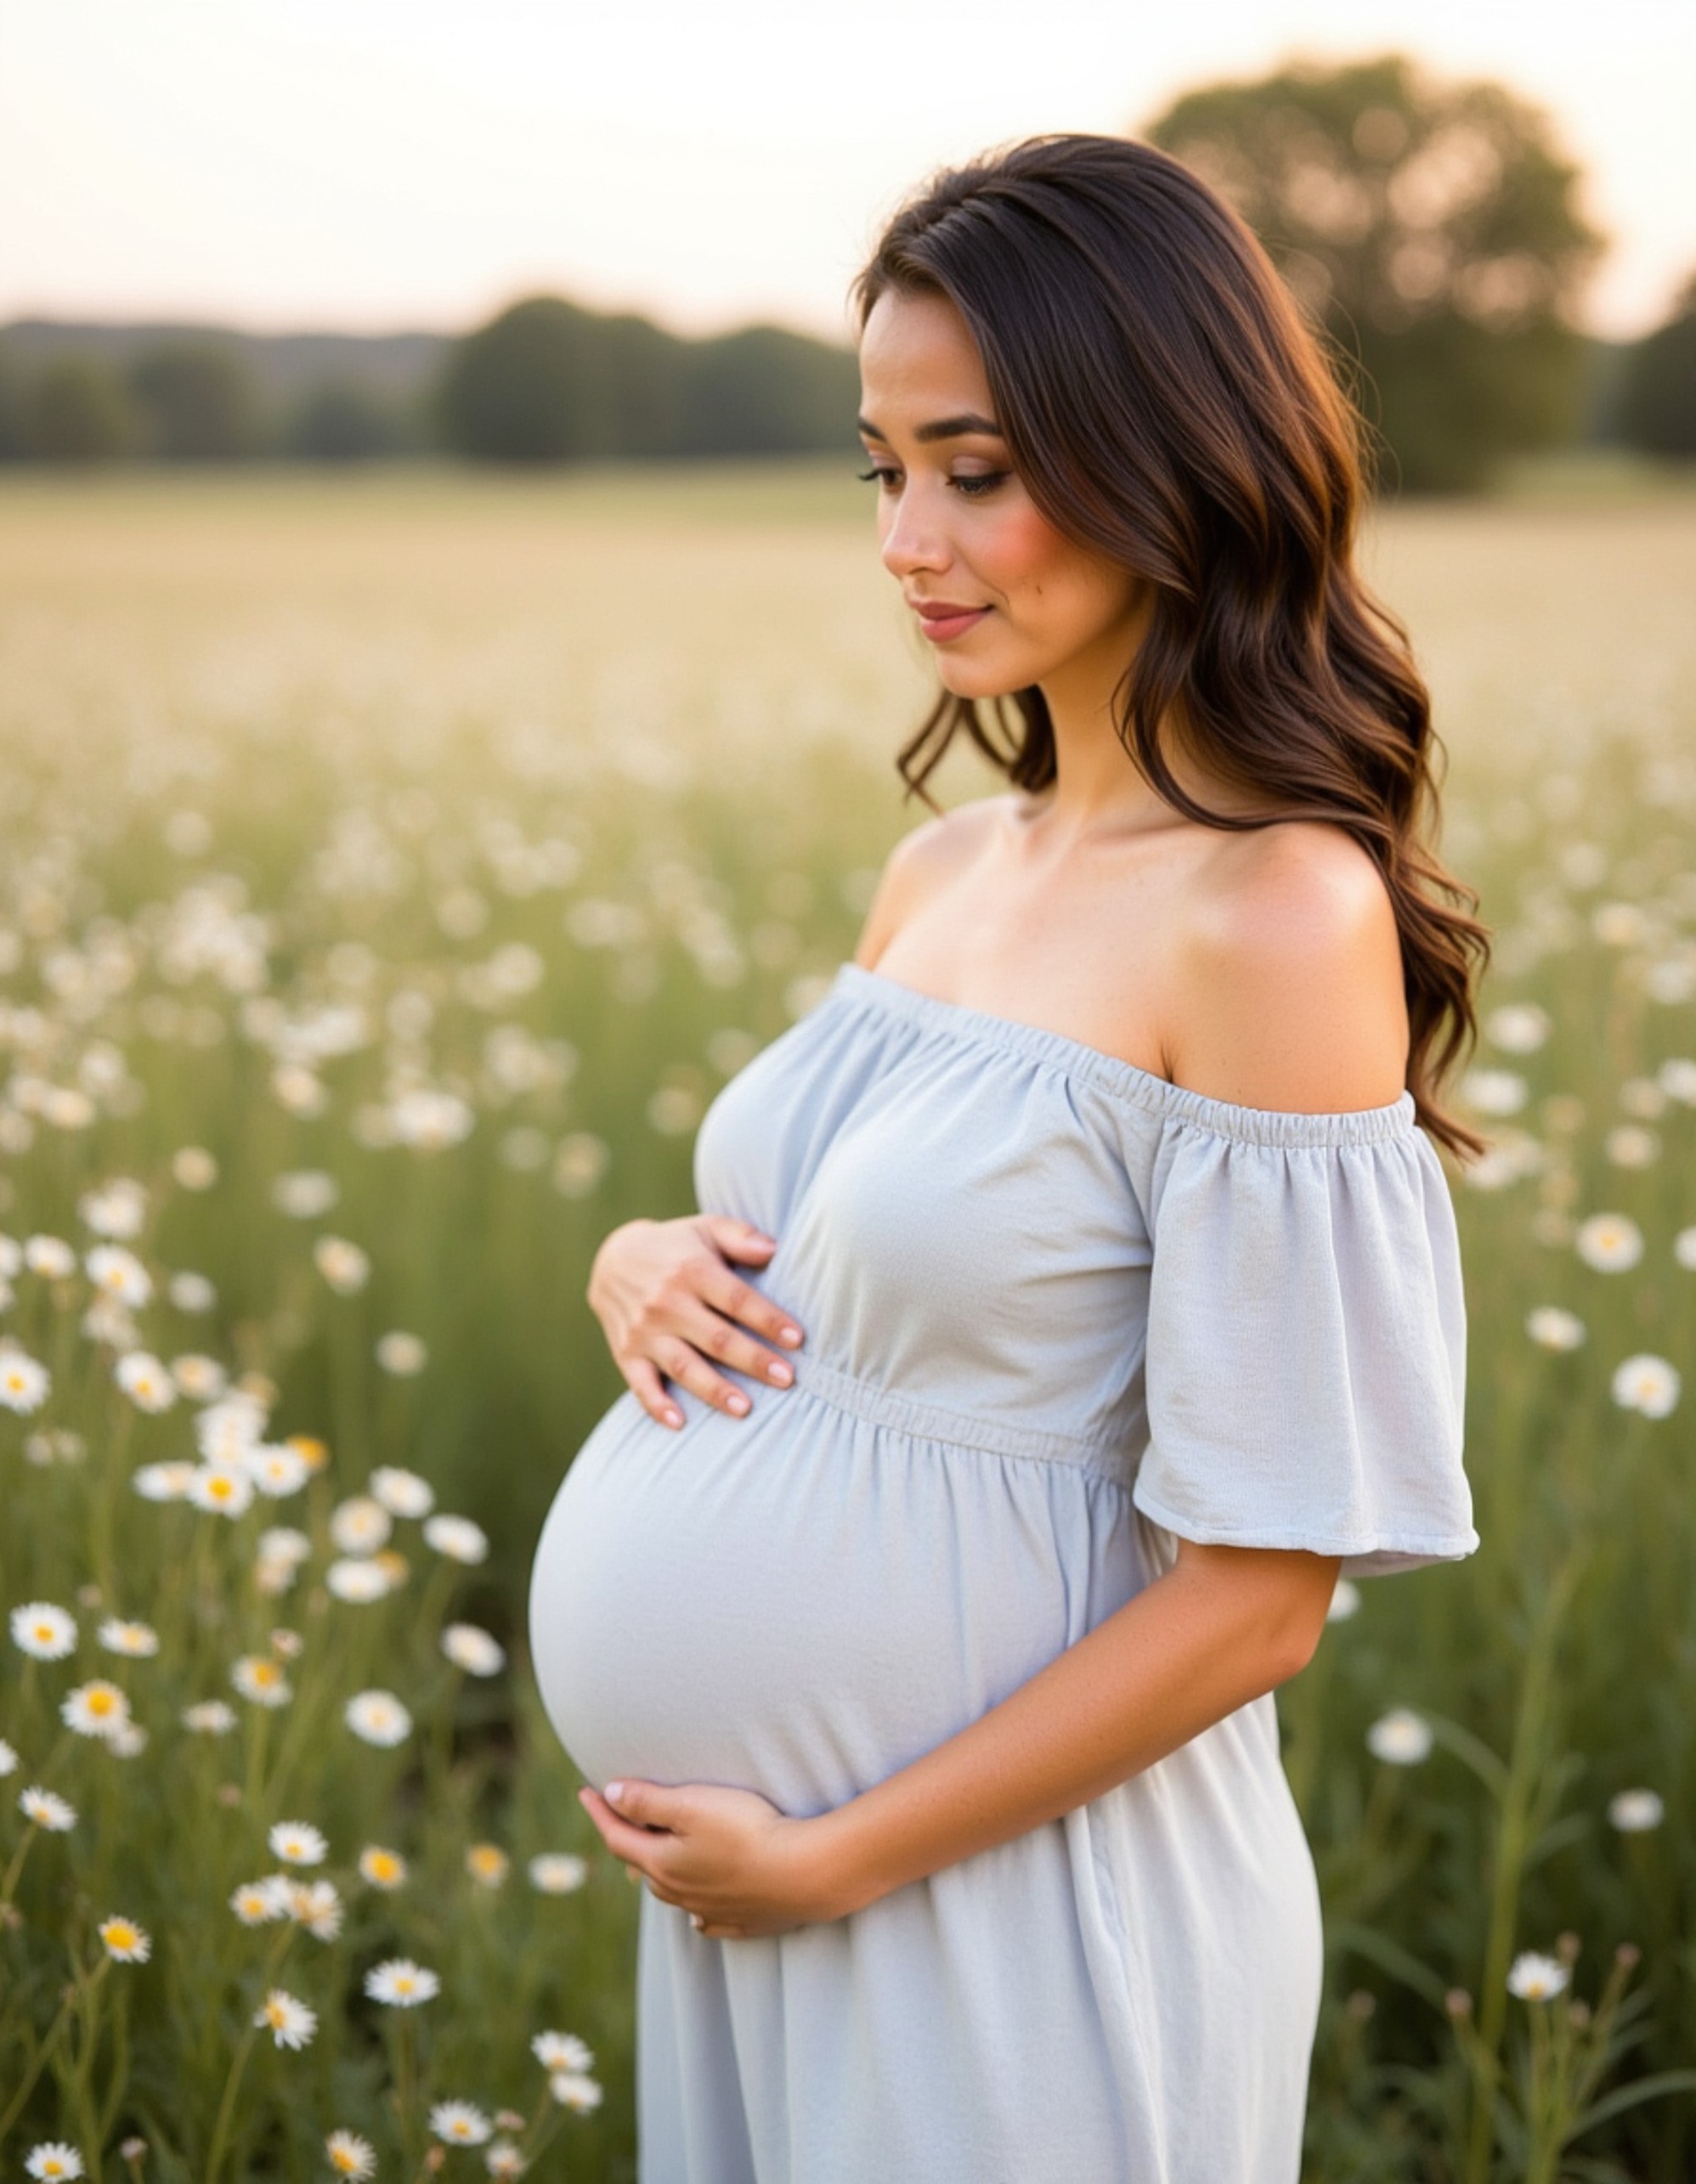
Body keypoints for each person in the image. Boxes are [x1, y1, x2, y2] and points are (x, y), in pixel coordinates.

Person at [529, 132, 1486, 2184]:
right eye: (881, 470)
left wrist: (839, 1854)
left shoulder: (1274, 914)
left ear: (1168, 453)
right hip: (766, 1893)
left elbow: (1260, 1593)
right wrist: (639, 1256)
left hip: (1013, 1906)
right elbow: (840, 1251)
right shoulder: (946, 862)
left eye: (974, 464)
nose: (908, 535)